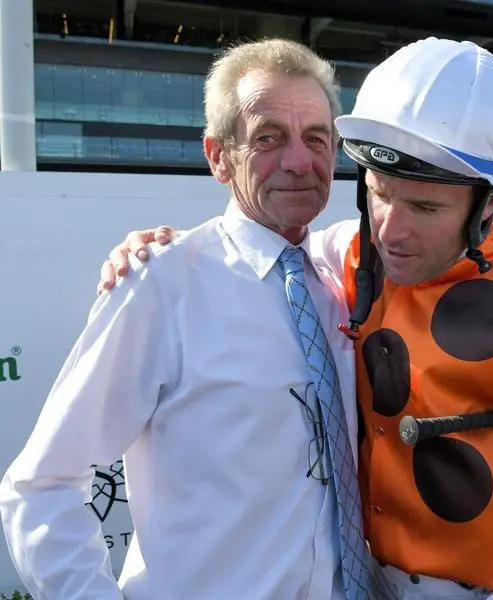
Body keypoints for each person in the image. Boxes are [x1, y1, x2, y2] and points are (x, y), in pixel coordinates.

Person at [97, 38, 493, 600]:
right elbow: (249, 245)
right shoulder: (348, 258)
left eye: (425, 208)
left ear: (487, 208)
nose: (391, 230)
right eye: (379, 194)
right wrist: (156, 250)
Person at [0, 38, 371, 600]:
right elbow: (40, 485)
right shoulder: (161, 284)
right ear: (218, 156)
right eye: (268, 138)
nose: (299, 161)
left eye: (316, 138)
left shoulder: (346, 273)